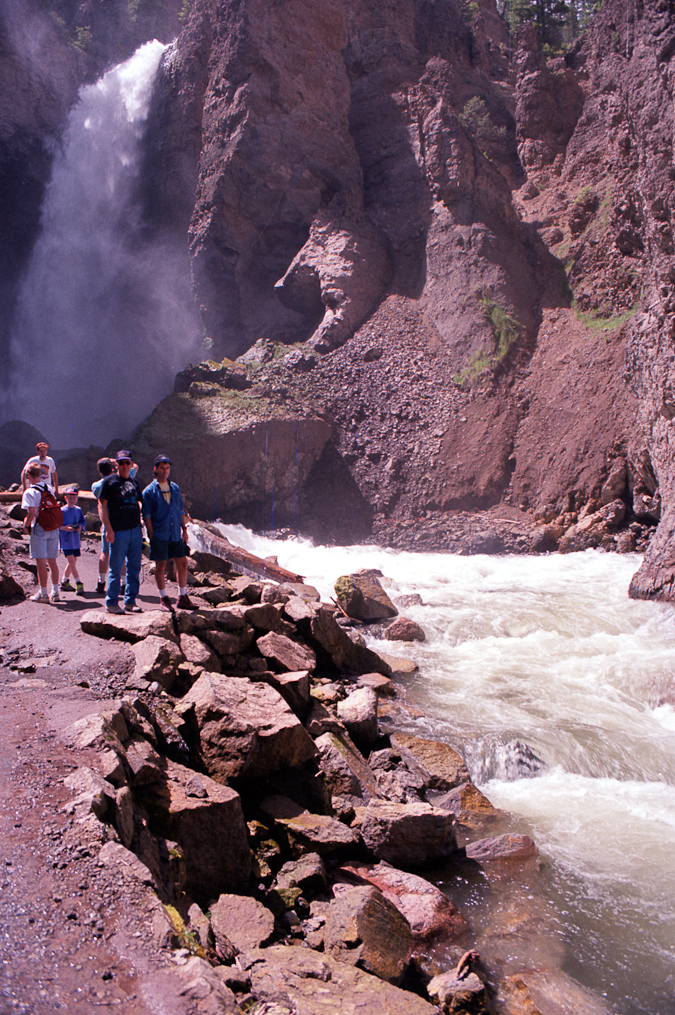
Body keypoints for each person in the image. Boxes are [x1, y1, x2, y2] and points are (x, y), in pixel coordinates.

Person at [142, 454, 196, 611]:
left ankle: (182, 597)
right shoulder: (148, 492)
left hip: (175, 533)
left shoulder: (175, 488)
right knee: (160, 566)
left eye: (167, 468)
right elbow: (147, 516)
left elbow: (180, 510)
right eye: (162, 468)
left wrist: (184, 529)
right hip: (160, 534)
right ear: (155, 469)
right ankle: (164, 598)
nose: (165, 471)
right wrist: (152, 535)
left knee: (182, 562)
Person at [98, 450, 144, 615]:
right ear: (116, 465)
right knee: (116, 568)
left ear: (131, 464)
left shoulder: (134, 482)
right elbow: (101, 505)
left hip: (135, 530)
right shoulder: (110, 482)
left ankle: (130, 601)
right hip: (118, 531)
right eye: (121, 463)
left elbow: (139, 502)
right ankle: (111, 602)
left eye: (127, 462)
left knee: (134, 567)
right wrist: (108, 528)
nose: (124, 465)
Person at [21, 462, 60, 603]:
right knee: (52, 561)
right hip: (53, 526)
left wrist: (26, 525)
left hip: (40, 528)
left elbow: (31, 512)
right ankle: (55, 592)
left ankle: (43, 594)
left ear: (28, 475)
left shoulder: (29, 492)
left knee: (41, 562)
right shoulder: (48, 487)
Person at [92, 457, 115, 593]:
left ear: (99, 471)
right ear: (112, 468)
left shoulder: (96, 486)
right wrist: (115, 461)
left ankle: (101, 582)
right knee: (121, 553)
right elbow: (135, 467)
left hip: (106, 522)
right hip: (119, 521)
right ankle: (123, 583)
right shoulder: (119, 481)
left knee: (105, 552)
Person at [59, 486, 86, 594]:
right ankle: (78, 582)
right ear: (65, 498)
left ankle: (64, 581)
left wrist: (80, 527)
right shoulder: (61, 511)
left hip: (75, 540)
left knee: (73, 560)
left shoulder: (78, 510)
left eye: (74, 498)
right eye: (70, 497)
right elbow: (56, 525)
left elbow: (82, 522)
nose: (72, 500)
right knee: (72, 561)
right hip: (66, 541)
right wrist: (65, 528)